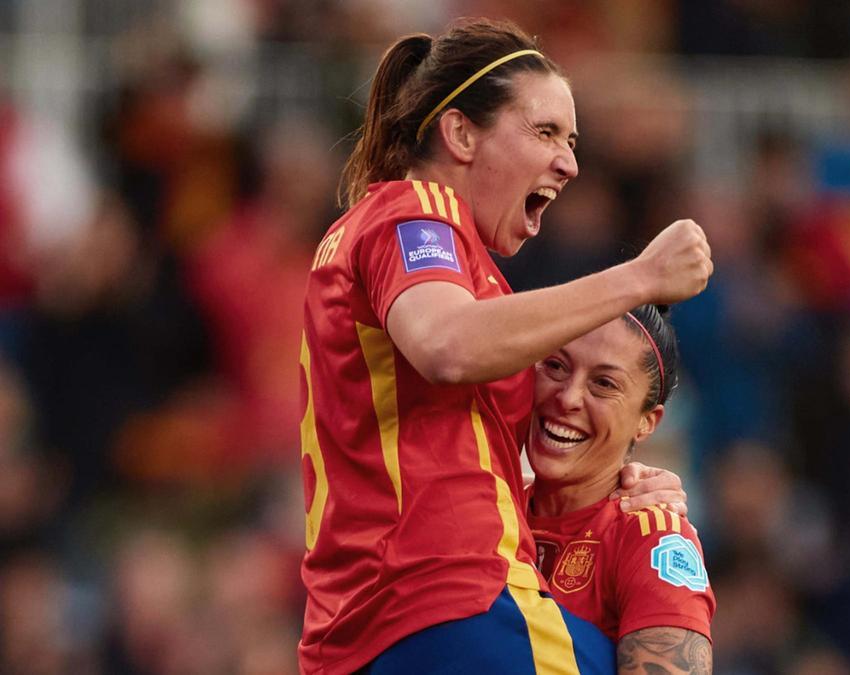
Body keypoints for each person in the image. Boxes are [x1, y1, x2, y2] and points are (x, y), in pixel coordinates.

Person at [298, 18, 712, 675]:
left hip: (367, 628)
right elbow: (446, 345)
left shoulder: (430, 254)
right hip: (452, 602)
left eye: (572, 141)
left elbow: (440, 430)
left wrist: (612, 476)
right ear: (460, 133)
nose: (569, 162)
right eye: (545, 131)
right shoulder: (417, 213)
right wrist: (640, 277)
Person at [528, 305, 715, 674]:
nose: (568, 397)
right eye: (555, 366)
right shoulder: (490, 505)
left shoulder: (651, 537)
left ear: (647, 423)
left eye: (604, 384)